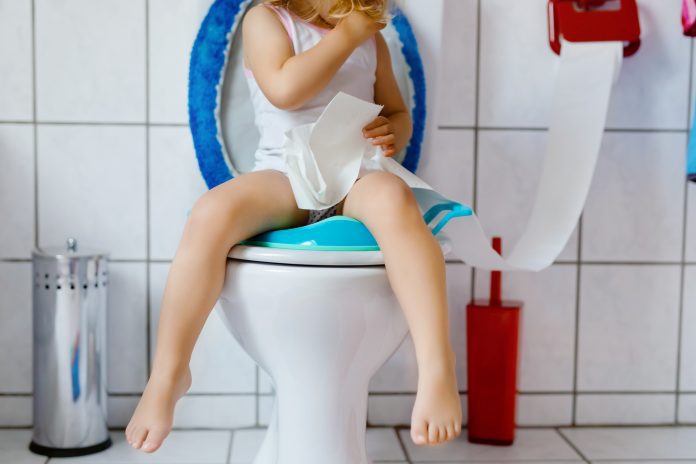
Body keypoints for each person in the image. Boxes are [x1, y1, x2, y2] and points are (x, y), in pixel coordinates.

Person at [125, 0, 461, 452]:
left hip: (353, 175)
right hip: (285, 176)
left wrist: (392, 132)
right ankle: (168, 374)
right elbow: (286, 90)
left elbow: (399, 113)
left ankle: (436, 368)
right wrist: (348, 35)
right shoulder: (265, 20)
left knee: (395, 199)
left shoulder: (371, 38)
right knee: (210, 214)